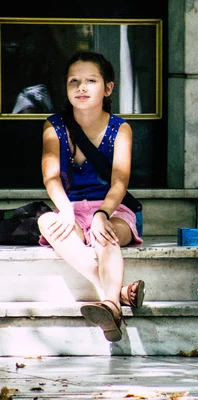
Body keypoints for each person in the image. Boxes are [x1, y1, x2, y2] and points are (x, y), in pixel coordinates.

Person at [37, 51, 145, 343]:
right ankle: (117, 295)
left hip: (112, 208)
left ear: (108, 88)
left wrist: (102, 214)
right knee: (47, 221)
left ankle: (110, 304)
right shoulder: (54, 126)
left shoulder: (120, 129)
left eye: (91, 81)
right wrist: (66, 211)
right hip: (71, 208)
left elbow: (120, 182)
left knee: (104, 235)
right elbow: (51, 177)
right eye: (74, 81)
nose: (81, 88)